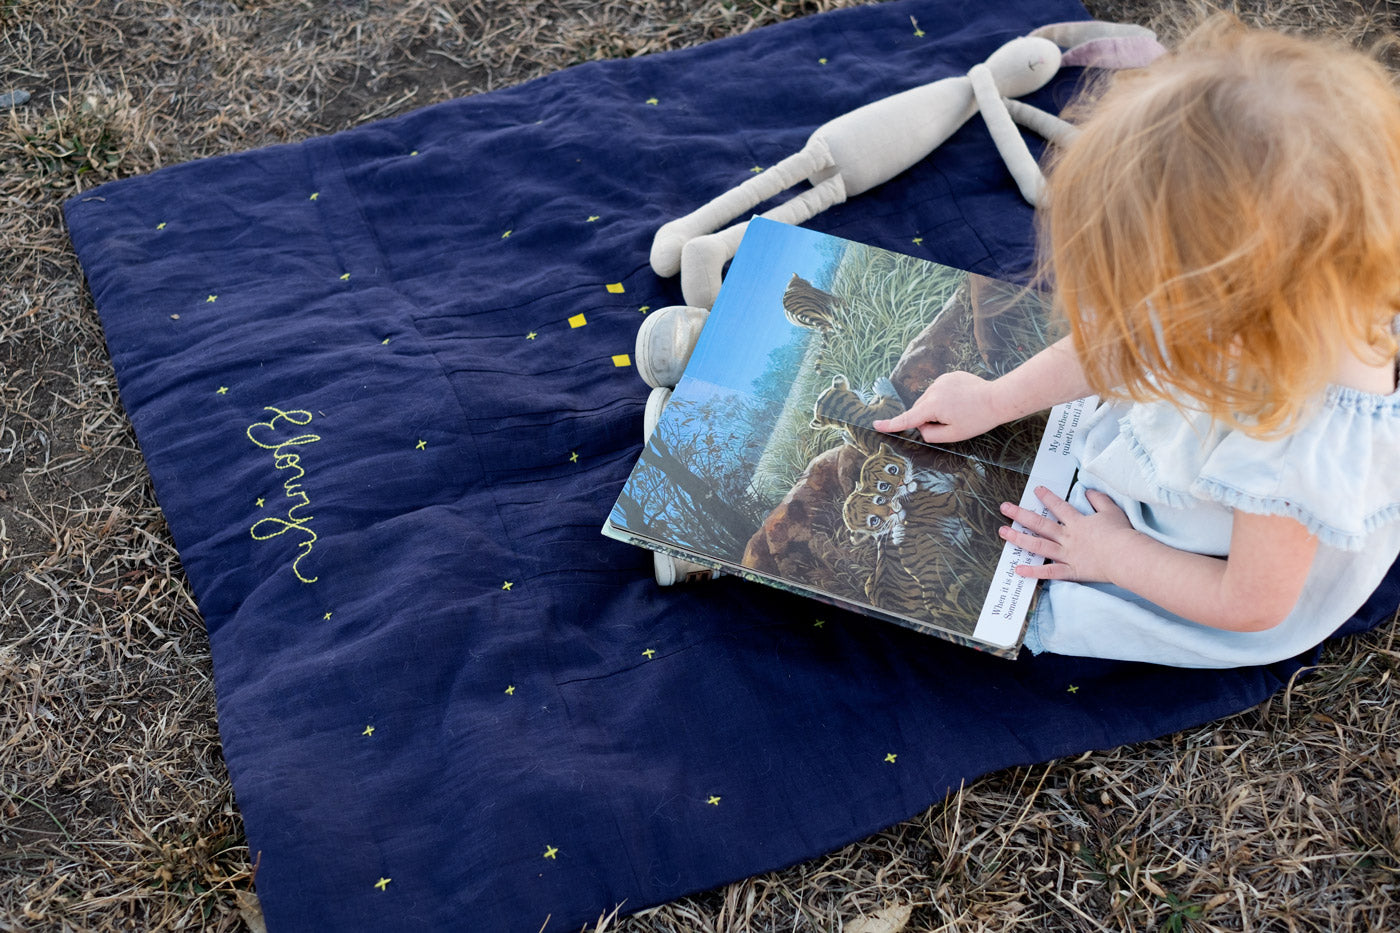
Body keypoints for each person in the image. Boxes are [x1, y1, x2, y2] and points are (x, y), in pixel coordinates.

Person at [873, 15, 1400, 668]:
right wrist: (994, 398)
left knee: (1037, 587)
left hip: (1218, 566)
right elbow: (1123, 344)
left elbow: (1250, 602)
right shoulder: (1258, 292)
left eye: (1152, 291)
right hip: (1217, 435)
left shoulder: (1296, 441)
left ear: (1230, 310)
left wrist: (1114, 554)